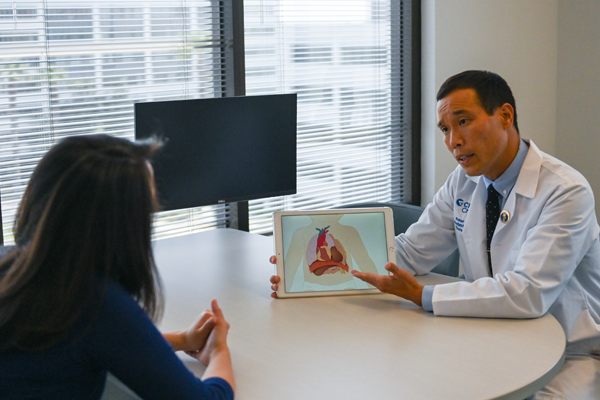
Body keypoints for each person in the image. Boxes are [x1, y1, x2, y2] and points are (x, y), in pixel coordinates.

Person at [271, 70, 600, 399]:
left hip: (571, 352)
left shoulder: (565, 191)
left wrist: (421, 295)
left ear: (504, 116)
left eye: (463, 122)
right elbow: (411, 251)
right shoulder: (463, 181)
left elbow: (527, 293)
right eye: (445, 129)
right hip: (494, 336)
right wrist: (305, 270)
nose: (453, 140)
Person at [0, 134, 235, 399]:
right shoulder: (95, 303)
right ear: (119, 225)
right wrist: (218, 352)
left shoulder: (13, 268)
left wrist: (183, 340)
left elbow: (96, 343)